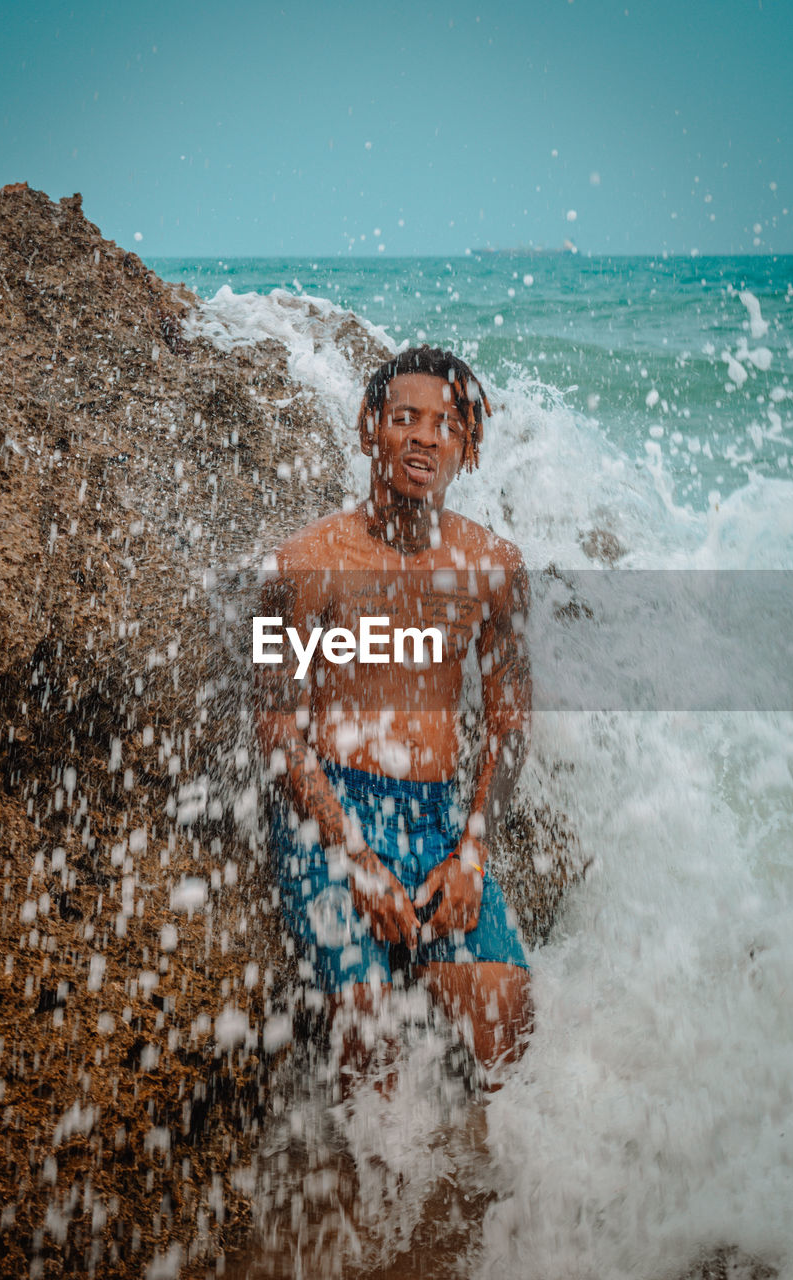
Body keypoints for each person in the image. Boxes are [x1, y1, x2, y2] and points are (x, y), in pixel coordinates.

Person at [253, 346, 532, 1085]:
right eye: (403, 417)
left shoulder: (494, 567)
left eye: (446, 425)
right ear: (366, 427)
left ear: (468, 450)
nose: (423, 438)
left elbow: (510, 724)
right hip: (333, 809)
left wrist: (469, 852)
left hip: (440, 819)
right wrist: (355, 863)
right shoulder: (300, 564)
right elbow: (276, 733)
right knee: (364, 1031)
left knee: (505, 1019)